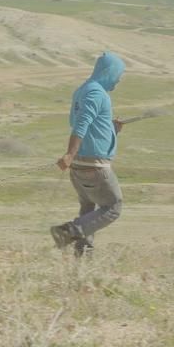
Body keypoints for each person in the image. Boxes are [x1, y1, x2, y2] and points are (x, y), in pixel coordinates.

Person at [50, 51, 126, 256]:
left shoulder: (83, 90)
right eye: (118, 75)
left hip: (79, 166)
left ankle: (82, 256)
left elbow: (84, 121)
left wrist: (111, 129)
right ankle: (68, 232)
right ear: (108, 72)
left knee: (88, 209)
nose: (118, 80)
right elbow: (81, 124)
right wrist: (69, 153)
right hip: (94, 165)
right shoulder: (97, 93)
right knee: (113, 207)